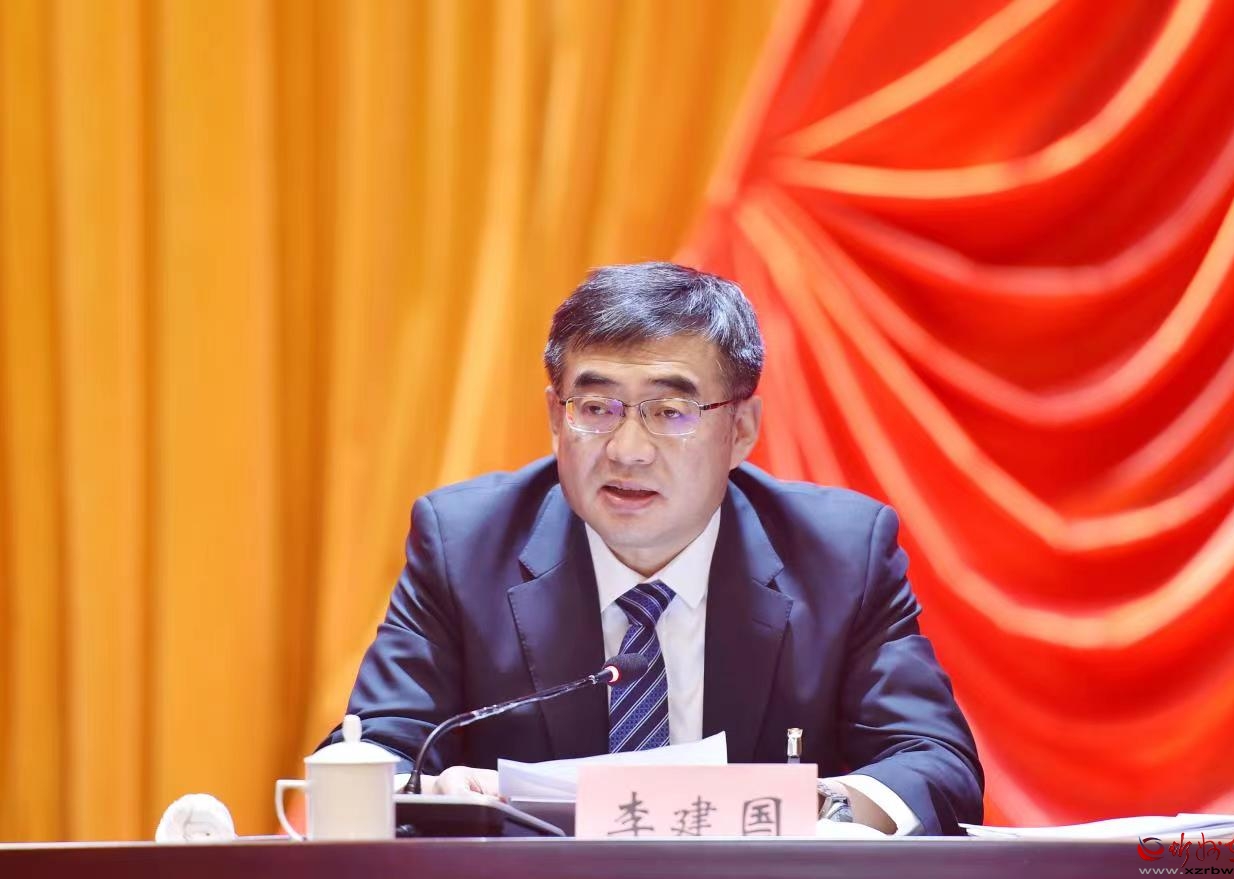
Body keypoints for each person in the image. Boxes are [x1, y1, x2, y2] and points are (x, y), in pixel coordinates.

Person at [322, 262, 983, 835]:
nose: (629, 450)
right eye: (596, 408)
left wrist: (811, 807)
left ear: (741, 429)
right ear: (555, 416)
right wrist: (426, 790)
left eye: (670, 412)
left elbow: (936, 764)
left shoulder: (840, 556)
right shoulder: (464, 545)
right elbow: (371, 746)